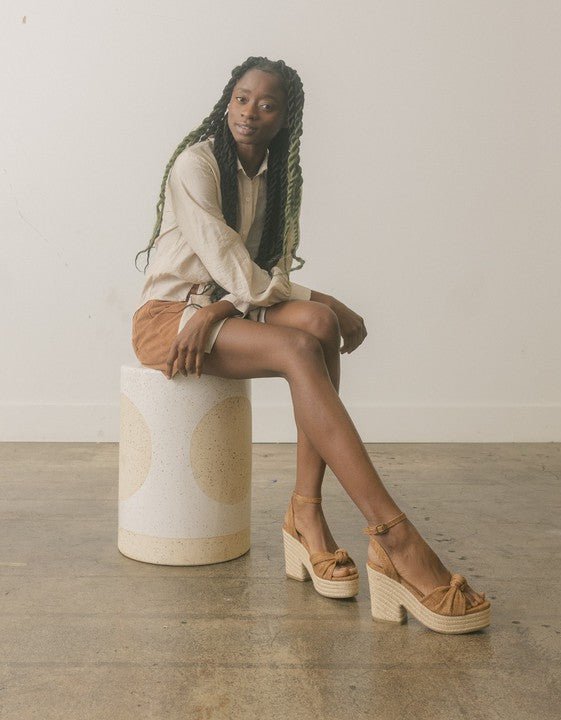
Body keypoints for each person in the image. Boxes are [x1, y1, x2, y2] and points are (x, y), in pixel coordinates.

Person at [131, 56, 491, 634]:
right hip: (169, 317)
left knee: (319, 325)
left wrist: (233, 307)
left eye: (266, 105)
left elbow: (257, 273)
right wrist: (311, 296)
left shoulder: (276, 175)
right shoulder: (196, 165)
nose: (250, 112)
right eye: (242, 98)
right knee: (300, 345)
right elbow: (233, 265)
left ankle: (306, 513)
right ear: (227, 101)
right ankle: (395, 537)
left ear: (284, 119)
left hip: (220, 308)